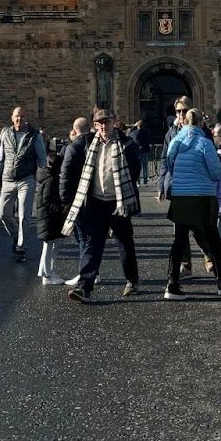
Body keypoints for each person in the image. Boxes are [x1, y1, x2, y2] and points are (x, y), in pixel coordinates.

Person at [62, 108, 142, 303]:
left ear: (114, 122)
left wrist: (123, 192)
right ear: (95, 125)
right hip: (96, 201)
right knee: (92, 242)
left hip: (118, 201)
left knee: (124, 242)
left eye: (107, 122)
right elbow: (70, 163)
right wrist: (66, 197)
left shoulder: (127, 143)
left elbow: (134, 170)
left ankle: (132, 280)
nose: (104, 126)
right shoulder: (87, 143)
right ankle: (84, 287)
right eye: (100, 123)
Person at [161, 108, 221, 300]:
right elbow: (215, 172)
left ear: (185, 122)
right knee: (212, 240)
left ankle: (172, 284)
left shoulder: (176, 142)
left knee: (179, 242)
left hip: (181, 195)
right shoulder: (205, 143)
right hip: (203, 196)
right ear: (201, 123)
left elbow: (170, 164)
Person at [0, 107, 47, 263]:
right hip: (7, 179)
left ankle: (21, 247)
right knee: (2, 213)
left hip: (26, 179)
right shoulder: (6, 134)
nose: (19, 119)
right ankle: (17, 235)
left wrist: (42, 179)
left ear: (26, 118)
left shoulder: (34, 135)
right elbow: (0, 158)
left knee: (24, 215)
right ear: (12, 118)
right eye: (17, 116)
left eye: (22, 116)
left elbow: (42, 159)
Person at [37, 120, 86, 284]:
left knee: (52, 243)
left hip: (49, 216)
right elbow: (48, 199)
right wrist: (62, 208)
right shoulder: (51, 179)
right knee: (50, 244)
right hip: (51, 216)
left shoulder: (46, 174)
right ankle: (46, 274)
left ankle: (46, 274)